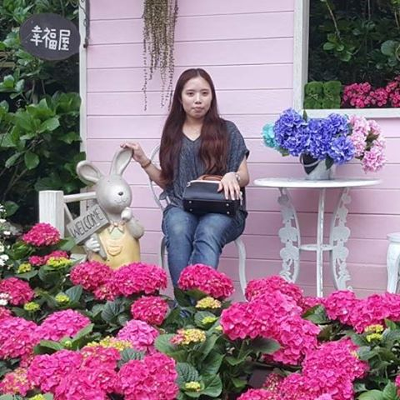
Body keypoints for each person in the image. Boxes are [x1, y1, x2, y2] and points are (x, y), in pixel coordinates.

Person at [122, 68, 250, 286]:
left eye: (204, 93)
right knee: (178, 228)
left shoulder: (227, 130)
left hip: (222, 208)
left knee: (208, 230)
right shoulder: (172, 133)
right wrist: (143, 160)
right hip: (182, 206)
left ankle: (199, 300)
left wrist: (232, 176)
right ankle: (187, 302)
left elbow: (244, 176)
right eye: (190, 94)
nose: (198, 100)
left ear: (212, 97)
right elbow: (168, 182)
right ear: (180, 99)